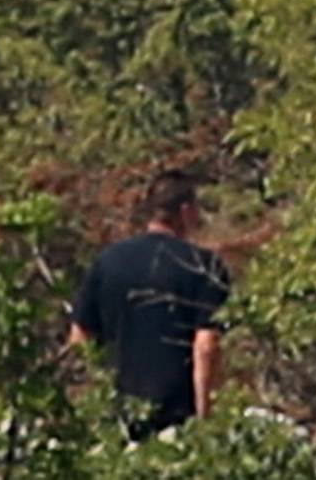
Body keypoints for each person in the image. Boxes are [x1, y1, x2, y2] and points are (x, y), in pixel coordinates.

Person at [69, 169, 230, 441]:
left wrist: (96, 398)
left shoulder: (108, 262)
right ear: (186, 210)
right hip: (177, 416)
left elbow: (79, 338)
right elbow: (205, 346)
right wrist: (206, 419)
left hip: (119, 415)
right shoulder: (203, 266)